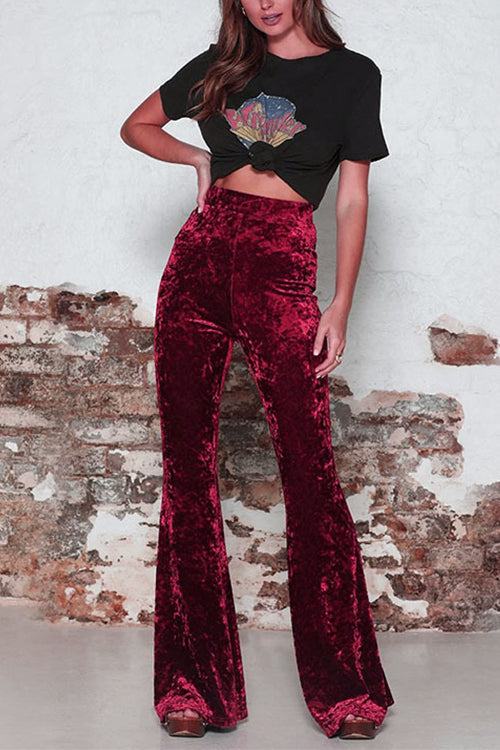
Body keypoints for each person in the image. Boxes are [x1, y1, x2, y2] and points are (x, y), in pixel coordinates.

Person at [120, 0, 394, 741]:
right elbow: (137, 125)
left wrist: (340, 303)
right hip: (200, 262)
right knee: (187, 468)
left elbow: (353, 197)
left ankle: (347, 691)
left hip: (284, 264)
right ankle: (192, 687)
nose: (265, 2)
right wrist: (197, 159)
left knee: (309, 472)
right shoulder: (223, 65)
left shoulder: (352, 74)